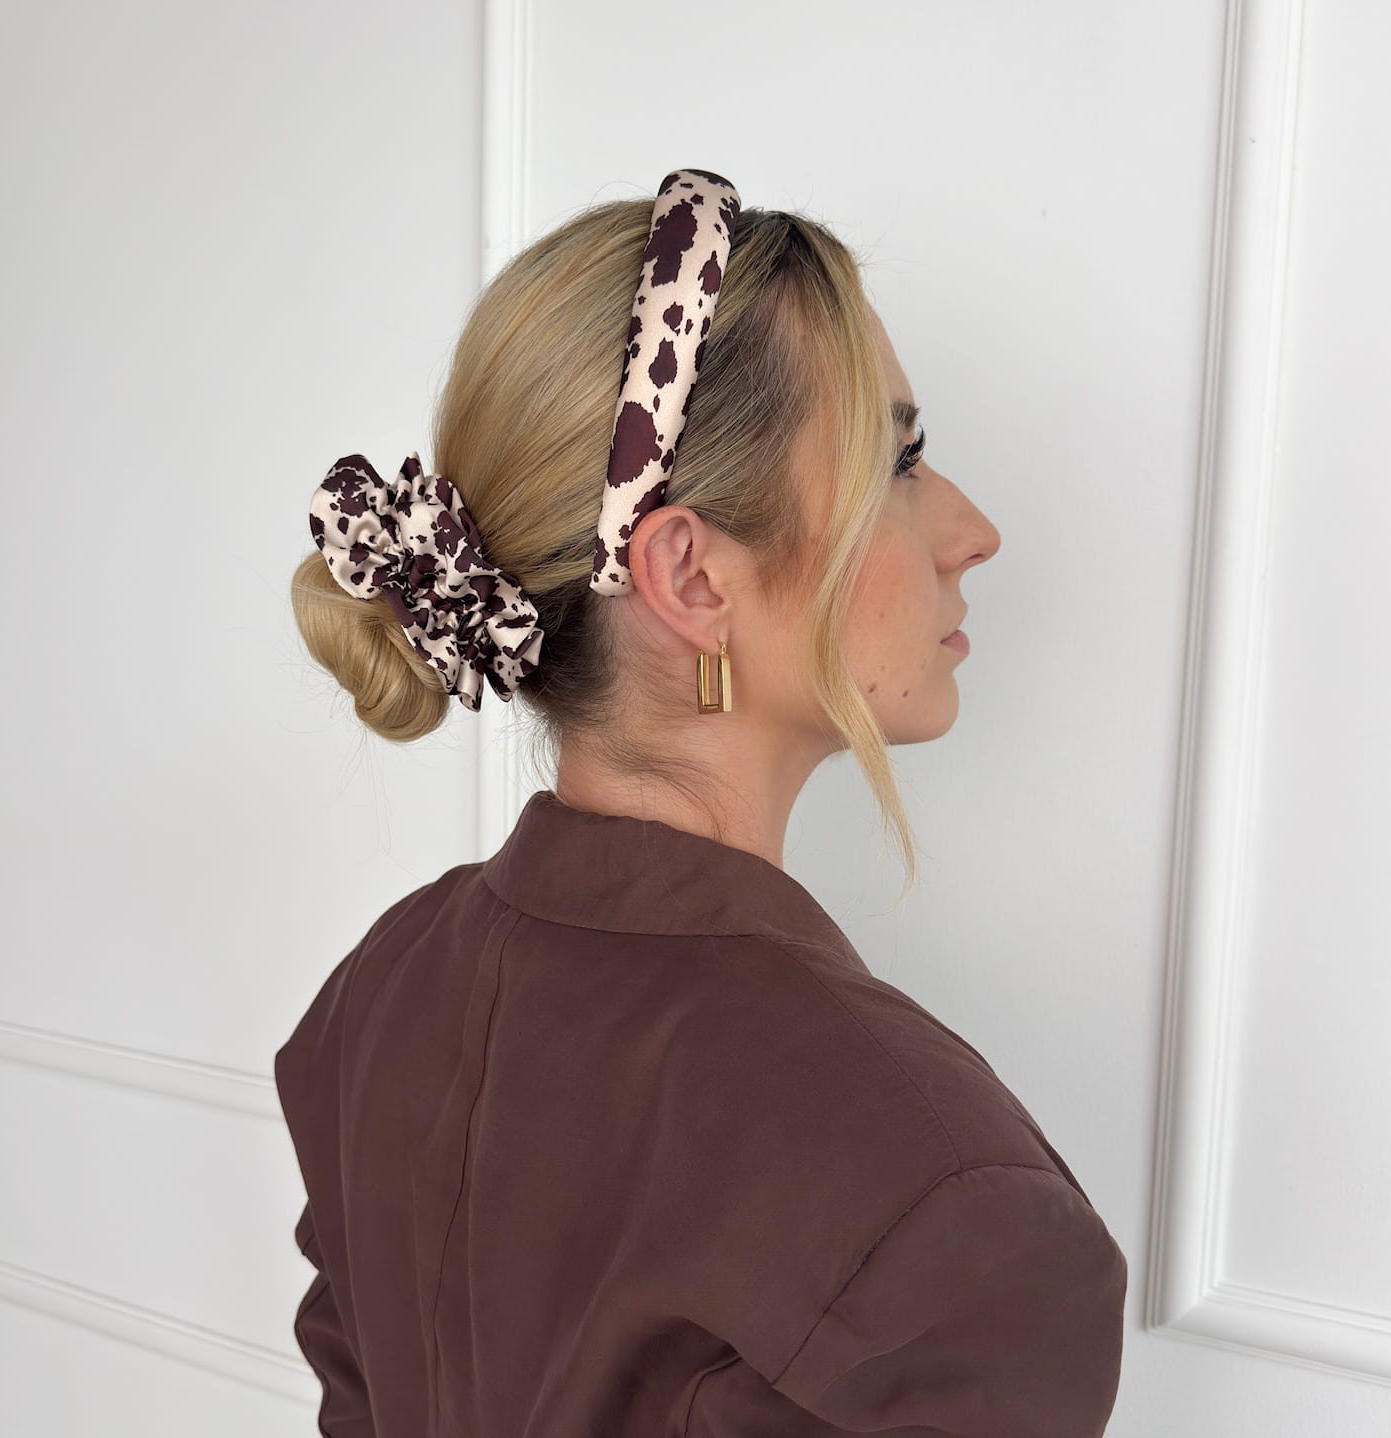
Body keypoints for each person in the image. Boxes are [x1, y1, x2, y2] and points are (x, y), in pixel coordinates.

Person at [276, 170, 1127, 1437]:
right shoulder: (953, 1212)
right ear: (690, 575)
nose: (973, 530)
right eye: (898, 461)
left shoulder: (380, 988)